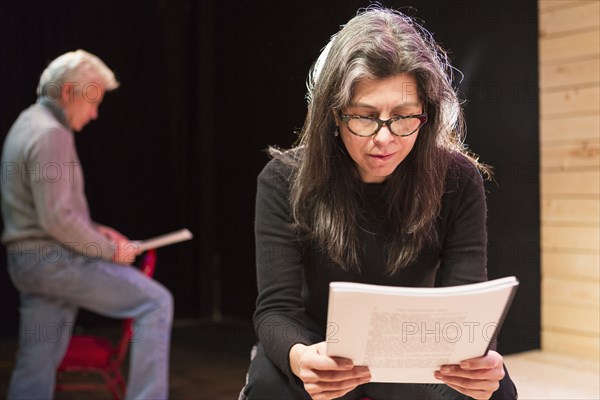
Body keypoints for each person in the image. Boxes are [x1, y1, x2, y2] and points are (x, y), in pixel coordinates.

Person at [241, 7, 518, 400]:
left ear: (428, 114)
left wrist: (478, 361)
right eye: (365, 117)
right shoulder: (284, 179)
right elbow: (276, 311)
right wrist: (300, 356)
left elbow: (465, 308)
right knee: (270, 386)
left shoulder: (456, 179)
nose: (384, 138)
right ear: (333, 116)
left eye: (404, 116)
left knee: (493, 390)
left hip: (418, 348)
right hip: (322, 345)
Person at [1, 50, 173, 399]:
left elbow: (46, 212)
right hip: (52, 263)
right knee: (155, 302)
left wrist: (95, 230)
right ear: (67, 93)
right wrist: (109, 250)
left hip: (29, 264)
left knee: (36, 362)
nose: (94, 114)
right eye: (92, 101)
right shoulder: (52, 134)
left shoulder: (27, 123)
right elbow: (56, 218)